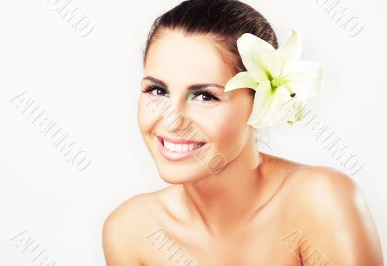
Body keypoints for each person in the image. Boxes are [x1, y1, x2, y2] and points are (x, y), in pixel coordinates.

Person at [102, 0, 384, 265]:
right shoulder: (131, 231)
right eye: (158, 90)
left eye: (204, 96)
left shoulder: (319, 200)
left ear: (260, 102)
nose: (172, 121)